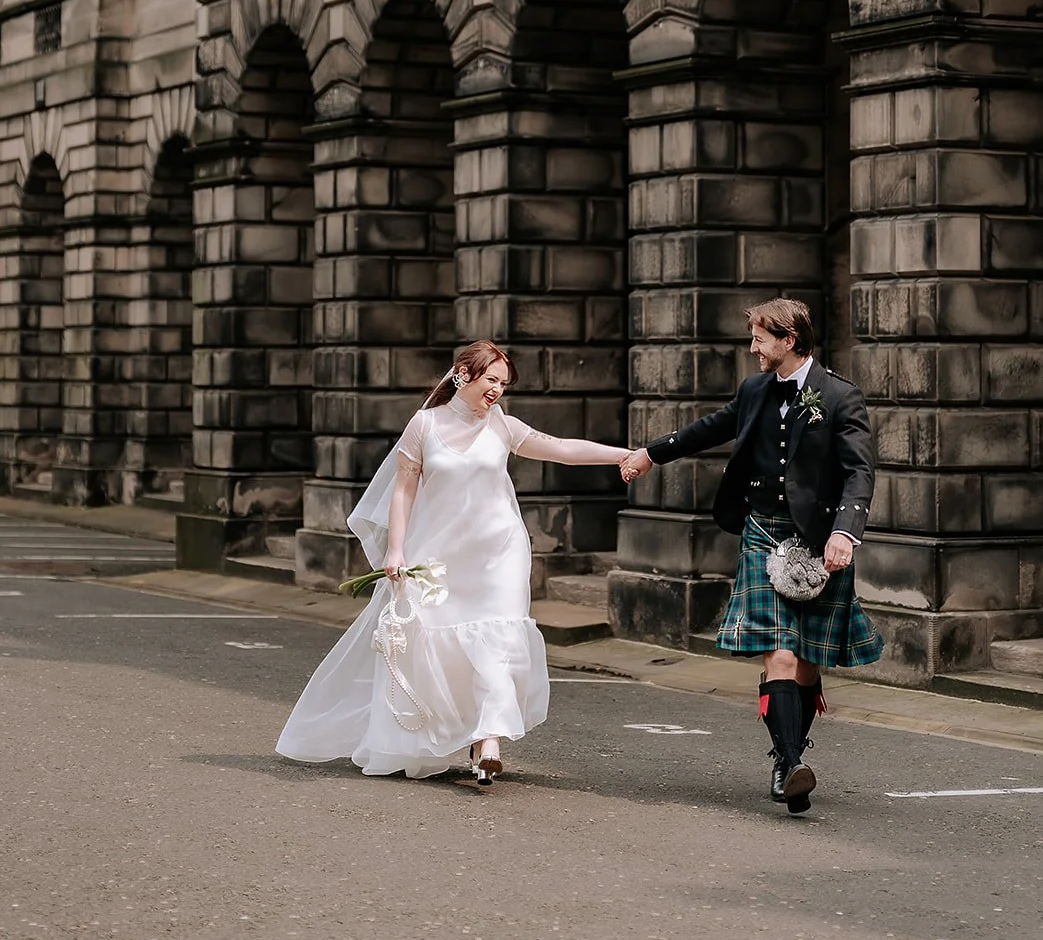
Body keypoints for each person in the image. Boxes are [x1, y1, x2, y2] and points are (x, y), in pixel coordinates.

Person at [277, 339, 630, 783]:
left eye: (504, 383)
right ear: (463, 374)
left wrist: (625, 454)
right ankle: (458, 733)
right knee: (436, 646)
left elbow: (561, 448)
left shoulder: (503, 427)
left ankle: (489, 739)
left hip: (499, 552)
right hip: (439, 556)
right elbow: (403, 491)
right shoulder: (424, 425)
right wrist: (396, 549)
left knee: (499, 638)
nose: (497, 390)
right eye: (491, 379)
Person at [621, 298, 883, 815]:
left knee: (806, 662)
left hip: (819, 537)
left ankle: (790, 756)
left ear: (789, 340)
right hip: (763, 532)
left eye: (760, 339)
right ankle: (789, 764)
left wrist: (845, 532)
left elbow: (860, 470)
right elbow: (709, 427)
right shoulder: (754, 389)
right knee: (779, 653)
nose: (752, 348)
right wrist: (651, 453)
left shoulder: (839, 395)